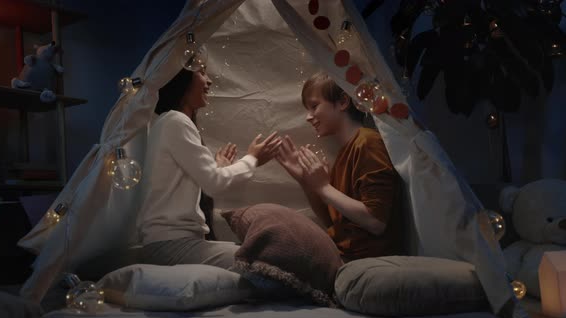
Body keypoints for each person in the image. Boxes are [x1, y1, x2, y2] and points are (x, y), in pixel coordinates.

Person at [136, 67, 282, 269]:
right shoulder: (175, 121)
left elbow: (208, 182)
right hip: (171, 246)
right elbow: (215, 184)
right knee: (269, 261)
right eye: (201, 72)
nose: (209, 80)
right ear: (182, 79)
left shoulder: (167, 123)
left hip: (171, 244)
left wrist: (218, 168)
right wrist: (252, 159)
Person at [276, 72, 404, 262]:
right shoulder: (345, 153)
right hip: (345, 257)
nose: (308, 117)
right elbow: (332, 223)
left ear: (343, 102)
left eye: (314, 106)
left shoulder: (367, 142)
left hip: (370, 260)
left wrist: (323, 187)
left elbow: (376, 222)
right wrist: (307, 182)